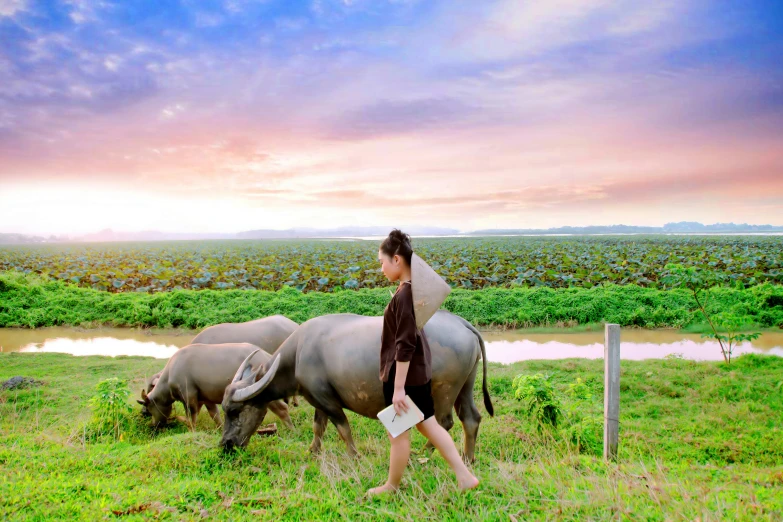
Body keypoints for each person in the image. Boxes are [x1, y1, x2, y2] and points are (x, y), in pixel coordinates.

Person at [367, 229, 479, 495]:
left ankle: (391, 486)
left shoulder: (405, 296)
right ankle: (464, 476)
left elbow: (405, 345)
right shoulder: (410, 291)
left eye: (382, 262)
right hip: (417, 375)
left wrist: (398, 389)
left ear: (397, 260)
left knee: (399, 434)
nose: (381, 268)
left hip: (404, 378)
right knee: (428, 425)